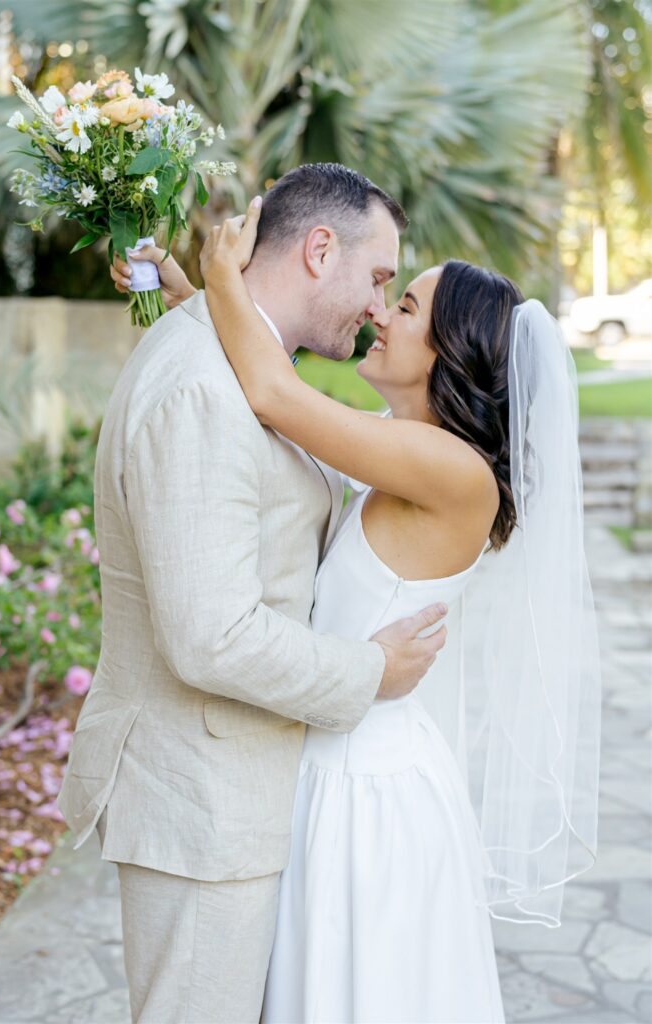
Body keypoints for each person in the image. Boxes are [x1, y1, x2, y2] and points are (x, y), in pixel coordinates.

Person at [190, 198, 601, 1024]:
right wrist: (189, 305)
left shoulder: (450, 471)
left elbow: (274, 396)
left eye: (404, 305)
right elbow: (281, 407)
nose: (378, 311)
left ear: (447, 350)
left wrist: (217, 273)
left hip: (363, 791)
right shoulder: (400, 442)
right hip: (340, 765)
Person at [58, 163, 449, 1024]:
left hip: (239, 796)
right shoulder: (203, 388)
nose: (380, 308)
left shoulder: (229, 353)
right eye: (379, 278)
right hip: (204, 808)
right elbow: (210, 635)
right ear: (318, 249)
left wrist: (187, 281)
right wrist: (368, 673)